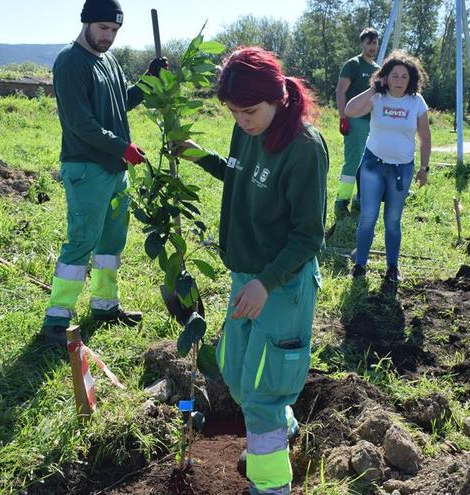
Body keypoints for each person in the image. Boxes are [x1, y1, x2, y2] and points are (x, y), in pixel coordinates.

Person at [177, 47, 328, 495]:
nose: (243, 120)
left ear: (278, 96)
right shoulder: (245, 129)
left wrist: (266, 283)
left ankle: (270, 486)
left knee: (263, 389)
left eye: (250, 111)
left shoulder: (303, 148)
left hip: (281, 282)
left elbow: (308, 236)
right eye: (234, 112)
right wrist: (201, 157)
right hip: (248, 275)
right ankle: (281, 429)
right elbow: (243, 175)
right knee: (240, 375)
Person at [41, 0, 163, 343]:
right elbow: (81, 124)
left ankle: (105, 306)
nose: (108, 37)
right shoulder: (70, 63)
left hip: (114, 167)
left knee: (111, 242)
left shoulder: (108, 60)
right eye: (103, 29)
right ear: (86, 23)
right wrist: (122, 147)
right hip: (86, 166)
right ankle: (56, 317)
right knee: (82, 240)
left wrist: (149, 80)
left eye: (114, 31)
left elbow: (121, 102)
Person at [344, 51, 431, 283]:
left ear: (411, 79)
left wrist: (424, 168)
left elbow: (425, 136)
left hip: (401, 170)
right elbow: (350, 111)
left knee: (392, 220)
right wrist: (374, 88)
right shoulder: (377, 98)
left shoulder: (416, 101)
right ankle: (360, 265)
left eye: (404, 76)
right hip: (373, 166)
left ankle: (392, 268)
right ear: (385, 77)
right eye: (394, 76)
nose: (399, 81)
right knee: (368, 218)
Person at [334, 27, 380, 217]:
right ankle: (341, 200)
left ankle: (359, 201)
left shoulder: (378, 69)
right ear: (362, 44)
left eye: (375, 42)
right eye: (368, 43)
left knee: (368, 163)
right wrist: (343, 117)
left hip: (373, 123)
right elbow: (340, 91)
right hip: (355, 121)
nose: (372, 47)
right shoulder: (353, 64)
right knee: (353, 161)